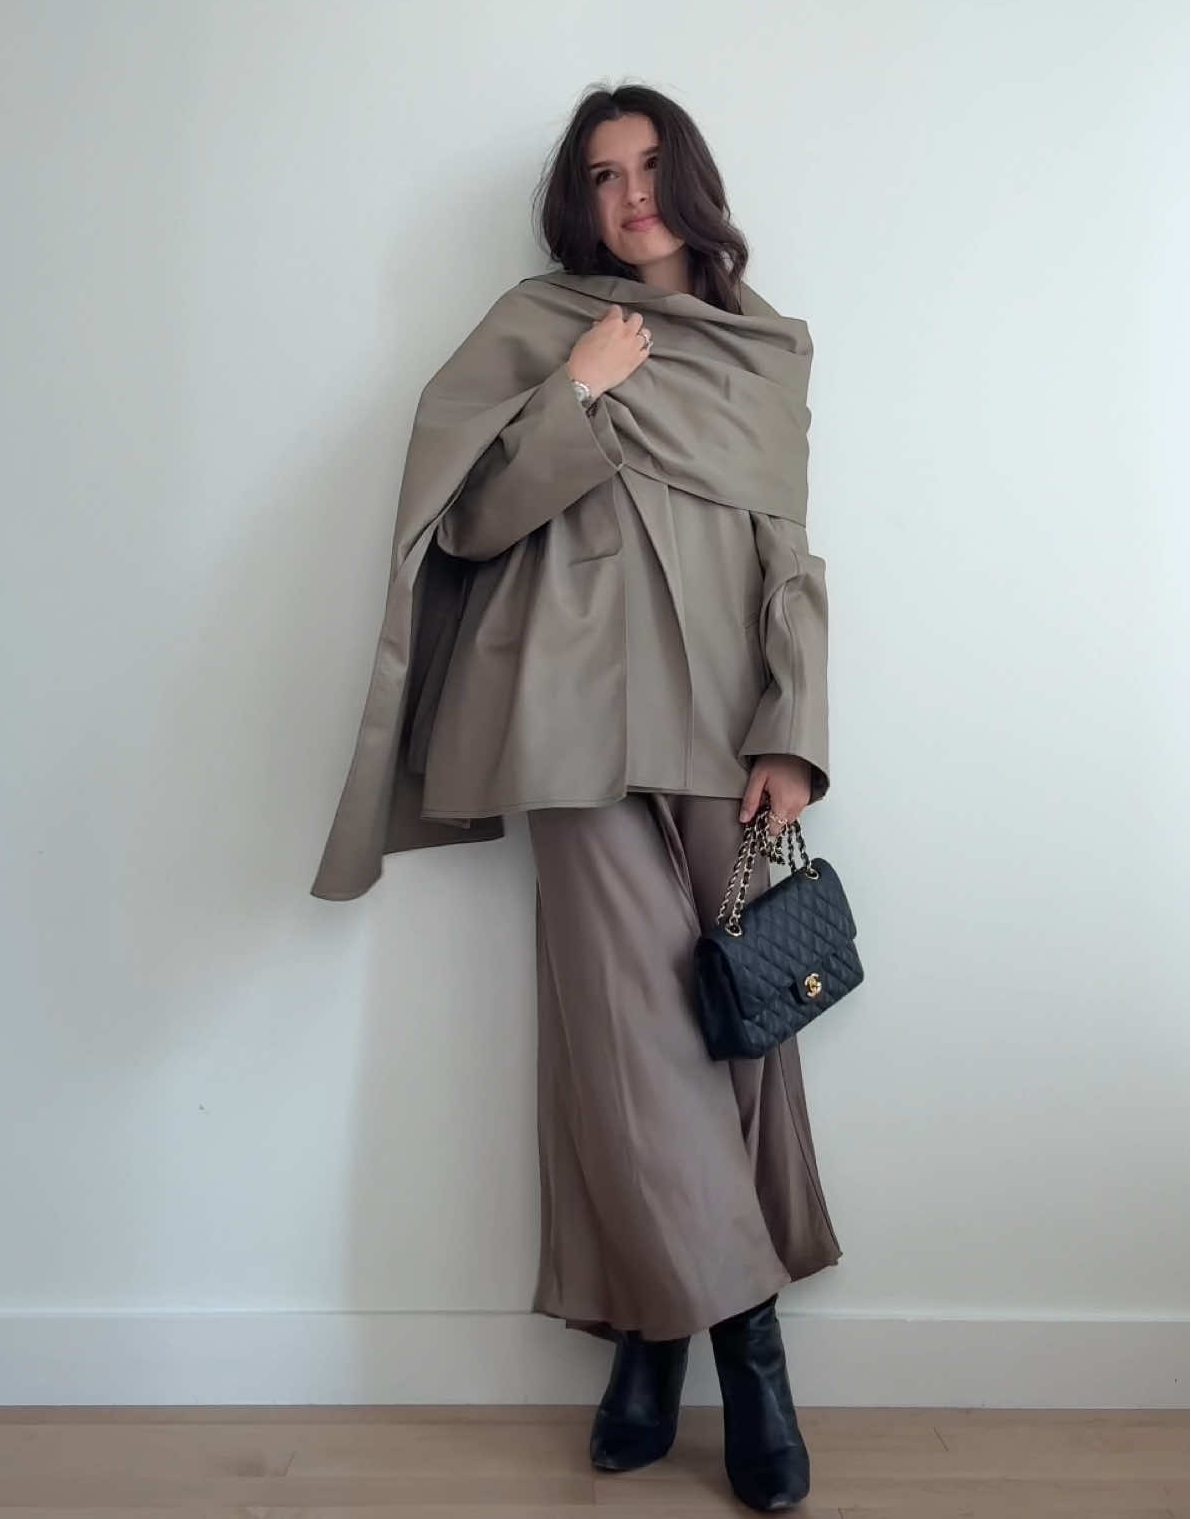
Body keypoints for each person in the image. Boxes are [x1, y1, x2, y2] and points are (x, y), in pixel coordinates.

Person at [311, 83, 841, 1512]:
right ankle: (750, 1352)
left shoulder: (764, 348)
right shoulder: (539, 326)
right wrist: (576, 392)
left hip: (724, 720)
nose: (630, 195)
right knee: (629, 1029)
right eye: (602, 175)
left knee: (738, 1025)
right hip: (562, 714)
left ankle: (648, 1337)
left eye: (651, 165)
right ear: (576, 202)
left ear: (692, 178)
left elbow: (789, 556)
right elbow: (466, 520)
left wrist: (793, 733)